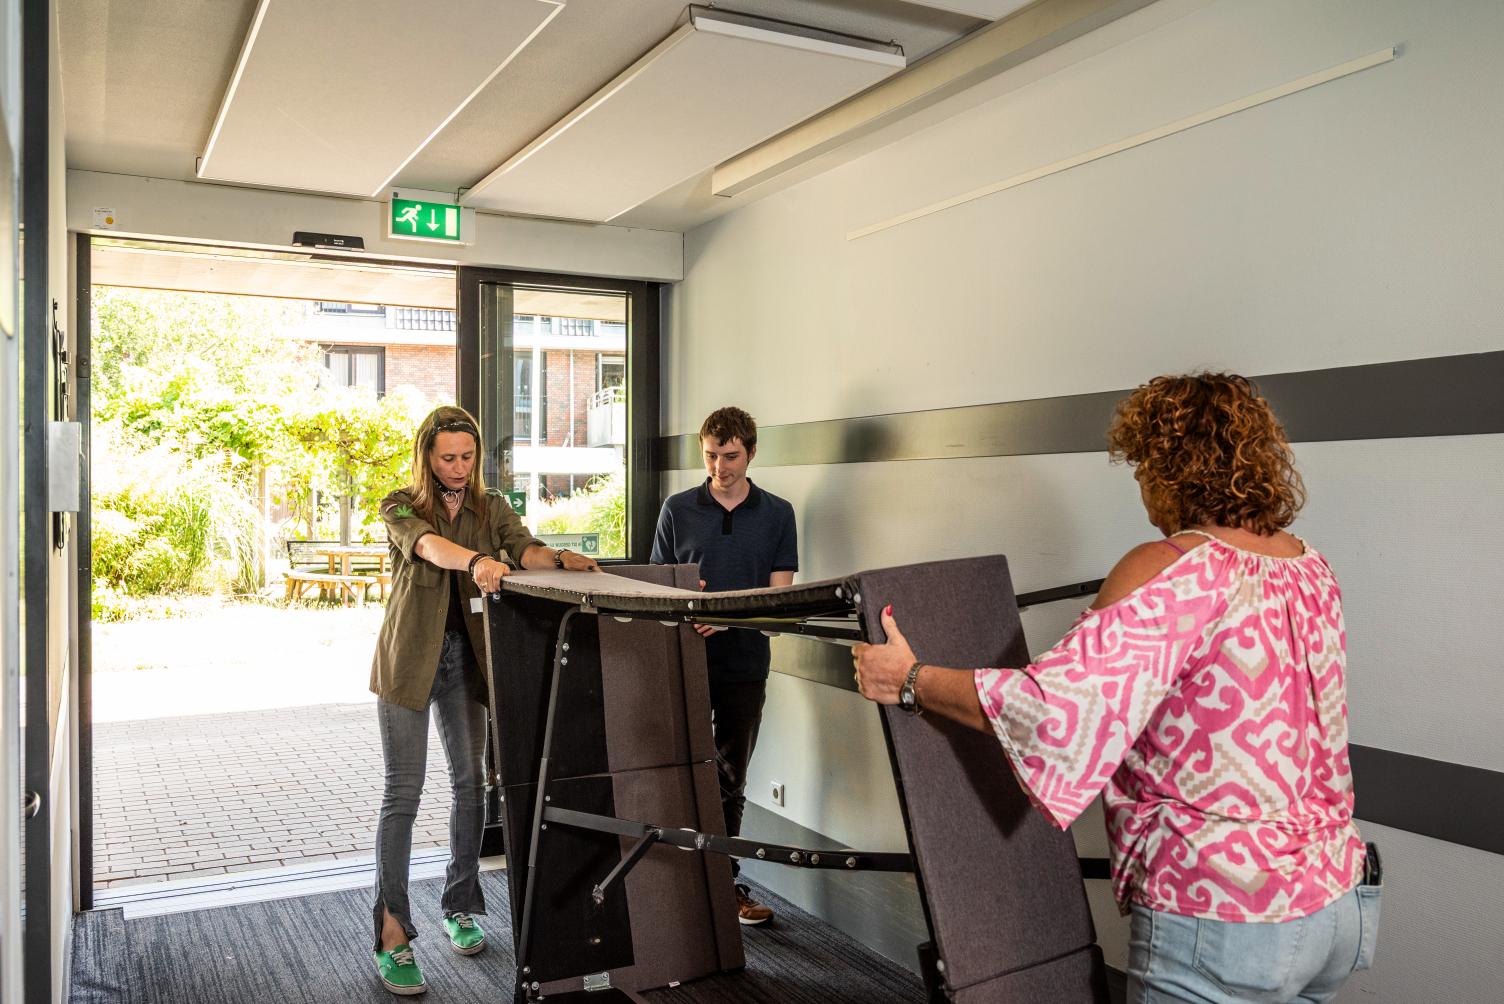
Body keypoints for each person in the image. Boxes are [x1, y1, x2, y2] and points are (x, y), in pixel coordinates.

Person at [853, 374, 1380, 1004]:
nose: (1141, 485)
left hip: (1226, 908)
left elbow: (1054, 715)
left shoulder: (1169, 566)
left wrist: (910, 679)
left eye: (1143, 466)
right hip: (1335, 901)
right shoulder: (1309, 565)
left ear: (1171, 467)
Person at [369, 405, 600, 996]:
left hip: (467, 664)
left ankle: (460, 903)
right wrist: (476, 561)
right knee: (403, 793)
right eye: (447, 457)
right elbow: (428, 548)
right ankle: (392, 932)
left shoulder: (491, 507)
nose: (458, 467)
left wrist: (561, 559)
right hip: (407, 663)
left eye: (467, 457)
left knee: (471, 785)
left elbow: (524, 549)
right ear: (427, 456)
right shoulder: (399, 504)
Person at [650, 407, 798, 926]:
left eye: (731, 456)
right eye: (711, 456)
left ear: (752, 452)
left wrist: (728, 618)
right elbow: (656, 594)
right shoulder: (676, 509)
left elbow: (780, 611)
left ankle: (721, 886)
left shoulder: (778, 514)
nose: (719, 467)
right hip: (682, 662)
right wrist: (683, 598)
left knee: (730, 780)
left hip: (745, 666)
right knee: (676, 773)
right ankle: (674, 887)